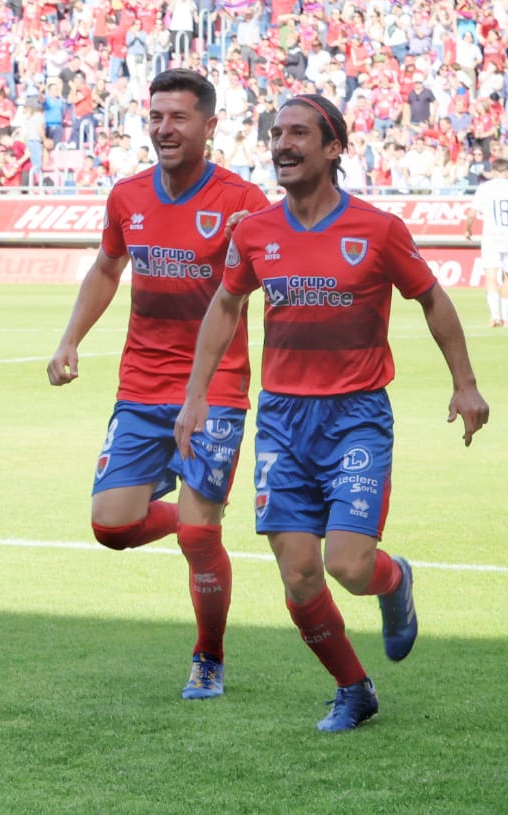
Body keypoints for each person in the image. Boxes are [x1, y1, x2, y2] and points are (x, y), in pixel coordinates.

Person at [176, 94, 488, 732]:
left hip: (355, 417)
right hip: (282, 421)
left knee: (348, 564)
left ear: (334, 148)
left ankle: (394, 580)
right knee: (298, 575)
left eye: (297, 134)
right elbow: (227, 308)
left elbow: (432, 299)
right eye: (275, 134)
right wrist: (196, 393)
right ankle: (354, 689)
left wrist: (466, 384)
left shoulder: (377, 229)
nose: (282, 145)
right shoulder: (255, 232)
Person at [47, 70, 268, 700]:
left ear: (209, 126)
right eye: (156, 117)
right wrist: (70, 340)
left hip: (216, 386)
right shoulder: (127, 196)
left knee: (199, 538)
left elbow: (271, 288)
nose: (164, 129)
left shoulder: (241, 201)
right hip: (141, 385)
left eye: (178, 118)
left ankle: (209, 655)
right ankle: (200, 518)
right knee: (112, 526)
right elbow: (106, 269)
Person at [465, 157, 508, 327]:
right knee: (507, 276)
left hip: (491, 237)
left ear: (493, 172)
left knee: (491, 275)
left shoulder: (485, 188)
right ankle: (507, 317)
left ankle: (495, 316)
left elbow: (472, 213)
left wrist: (468, 229)